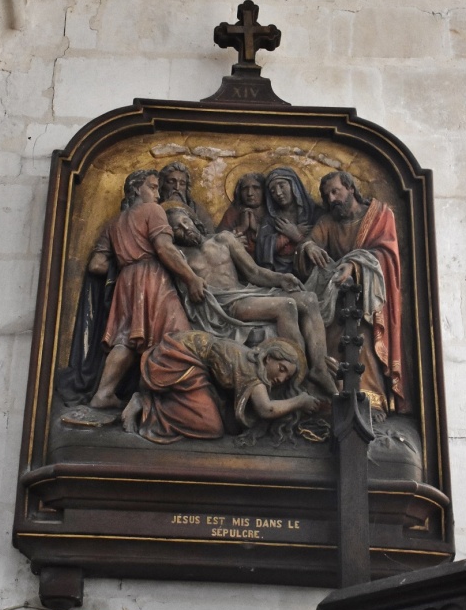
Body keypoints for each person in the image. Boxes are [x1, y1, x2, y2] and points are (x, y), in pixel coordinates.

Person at [165, 203, 337, 397]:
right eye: (177, 228)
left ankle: (320, 367)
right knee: (286, 306)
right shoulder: (179, 257)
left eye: (186, 221)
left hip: (245, 292)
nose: (185, 228)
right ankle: (299, 376)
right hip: (226, 306)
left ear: (194, 221)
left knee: (309, 299)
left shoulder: (224, 239)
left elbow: (253, 272)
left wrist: (280, 279)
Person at [86, 169, 205, 409]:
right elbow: (164, 249)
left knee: (125, 339)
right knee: (178, 335)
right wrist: (192, 278)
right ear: (136, 188)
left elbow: (96, 264)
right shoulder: (153, 211)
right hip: (152, 277)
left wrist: (125, 264)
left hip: (125, 281)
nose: (158, 194)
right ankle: (174, 399)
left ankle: (103, 393)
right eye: (153, 187)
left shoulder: (114, 223)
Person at [299, 170, 407, 421]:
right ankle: (331, 398)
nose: (332, 198)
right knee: (324, 342)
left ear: (350, 188)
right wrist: (309, 247)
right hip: (334, 298)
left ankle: (371, 400)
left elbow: (387, 255)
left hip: (368, 301)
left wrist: (355, 266)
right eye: (327, 196)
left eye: (336, 191)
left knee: (362, 339)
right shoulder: (328, 221)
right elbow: (309, 243)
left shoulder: (380, 215)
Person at [122, 330, 320, 443]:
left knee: (218, 416)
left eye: (287, 376)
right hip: (177, 359)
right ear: (268, 358)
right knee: (211, 425)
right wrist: (300, 401)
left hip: (191, 364)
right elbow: (265, 408)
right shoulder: (250, 367)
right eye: (282, 368)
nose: (282, 378)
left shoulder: (252, 363)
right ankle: (145, 405)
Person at [255, 167, 320, 274]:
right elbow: (261, 251)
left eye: (281, 185)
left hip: (310, 270)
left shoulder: (315, 212)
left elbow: (325, 247)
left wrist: (297, 236)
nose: (278, 193)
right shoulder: (271, 219)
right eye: (272, 191)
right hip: (279, 273)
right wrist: (285, 237)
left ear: (294, 185)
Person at [216, 172, 266, 256]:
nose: (249, 193)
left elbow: (276, 241)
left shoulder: (271, 212)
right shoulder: (232, 213)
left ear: (264, 191)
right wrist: (242, 228)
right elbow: (217, 241)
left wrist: (256, 228)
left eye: (256, 188)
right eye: (245, 189)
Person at [158, 161, 214, 234]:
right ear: (161, 184)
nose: (177, 188)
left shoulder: (197, 209)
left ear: (187, 187)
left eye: (182, 184)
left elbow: (210, 236)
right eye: (171, 181)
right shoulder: (152, 208)